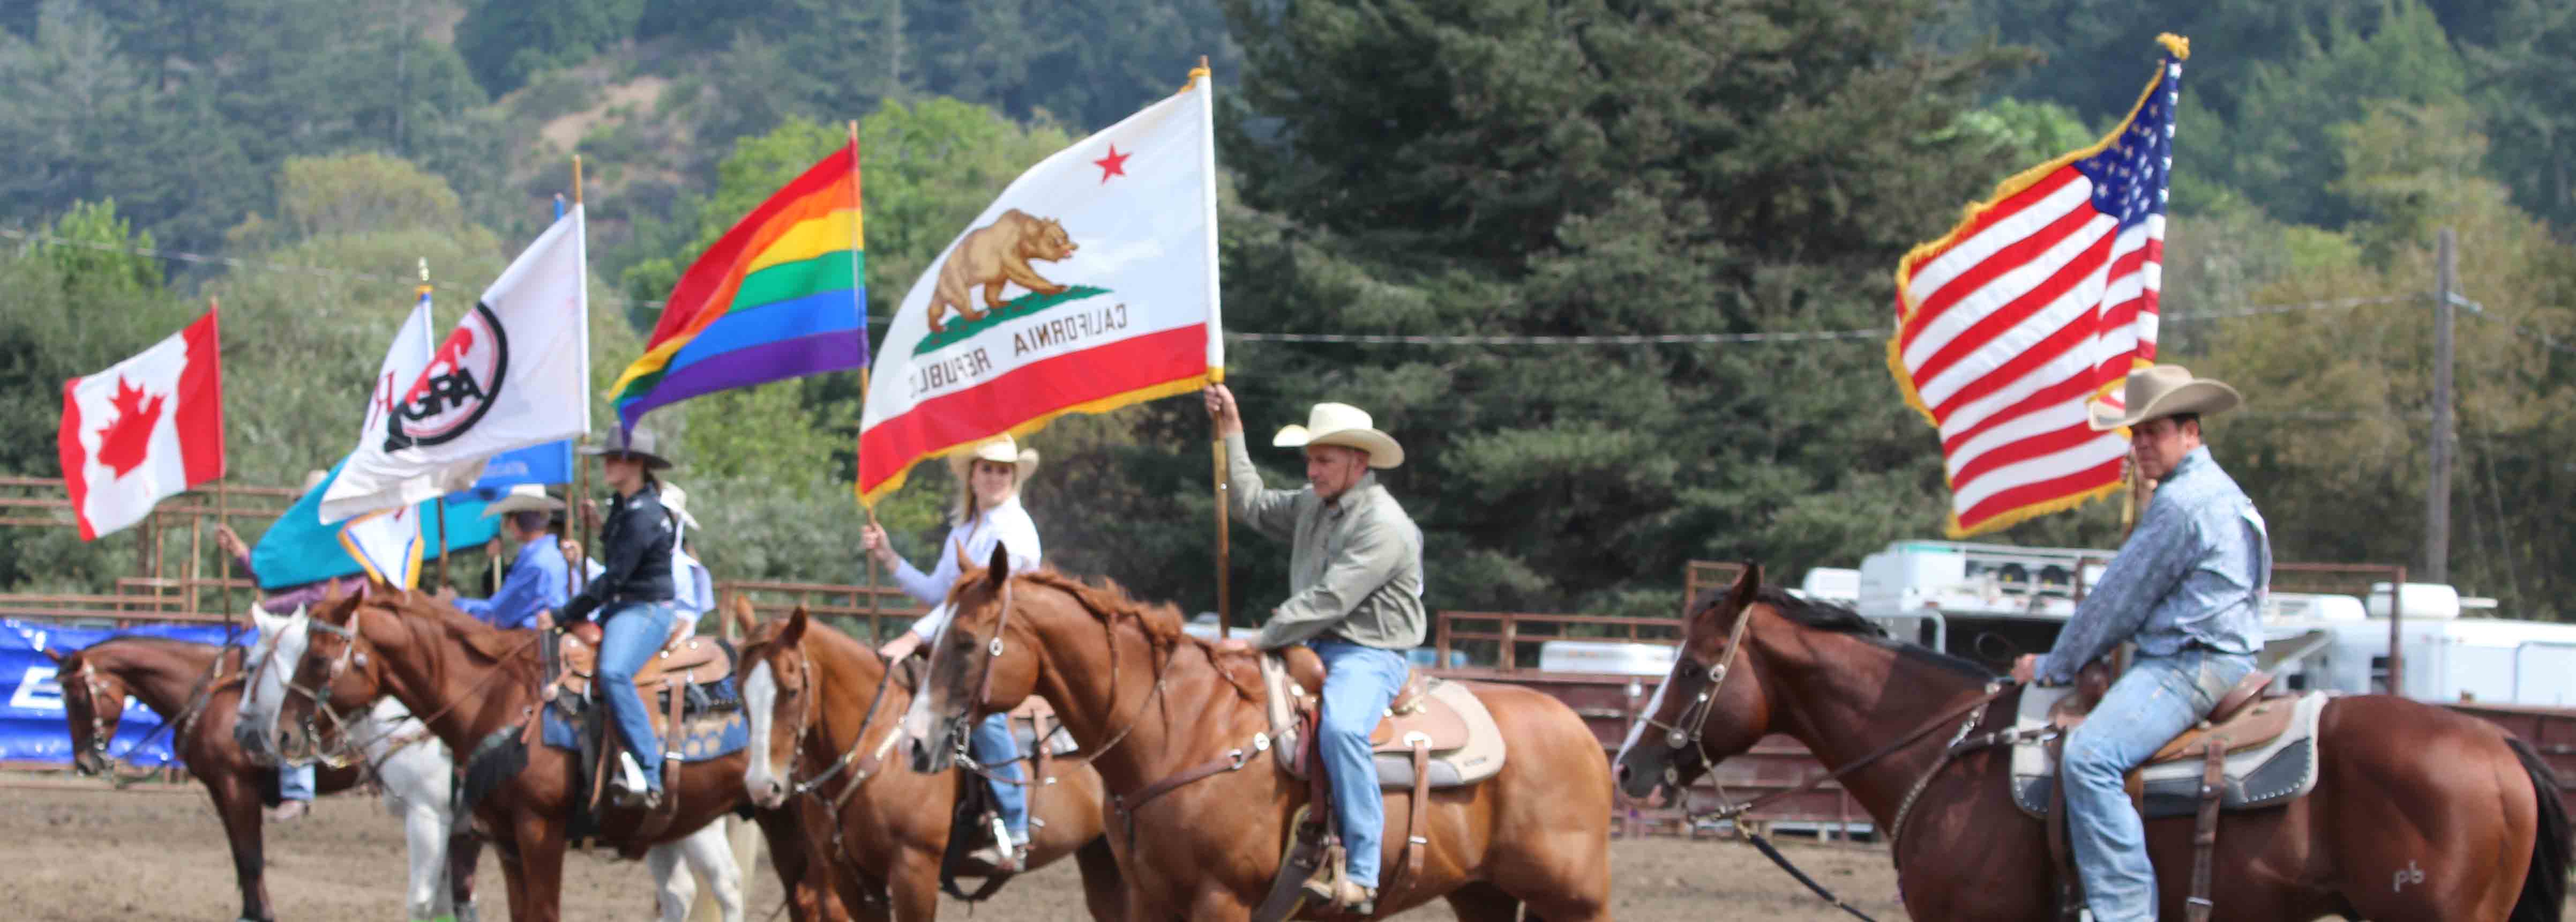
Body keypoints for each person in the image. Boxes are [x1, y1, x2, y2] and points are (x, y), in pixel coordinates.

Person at [2010, 365, 2268, 922]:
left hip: (2188, 664)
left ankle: (2124, 914)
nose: (2141, 443)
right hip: (2216, 654)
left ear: (2191, 433)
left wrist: (2054, 664)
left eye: (2155, 431)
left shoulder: (2180, 505)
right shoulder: (2216, 491)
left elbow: (2114, 602)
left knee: (2089, 757)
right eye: (2135, 432)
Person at [1203, 384, 1425, 916]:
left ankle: (1364, 872)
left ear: (1357, 461)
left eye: (1322, 460)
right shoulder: (1312, 504)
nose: (1311, 471)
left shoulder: (1384, 525)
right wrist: (1230, 427)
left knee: (1343, 727)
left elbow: (1331, 598)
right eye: (1309, 459)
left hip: (1368, 652)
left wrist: (1259, 639)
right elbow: (1250, 503)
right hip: (1311, 644)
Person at [862, 434, 1042, 869]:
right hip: (968, 640)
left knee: (983, 711)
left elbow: (965, 605)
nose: (996, 477)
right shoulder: (964, 533)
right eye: (989, 469)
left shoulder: (1016, 531)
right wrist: (889, 558)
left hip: (1005, 642)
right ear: (973, 477)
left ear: (1013, 478)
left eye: (1004, 471)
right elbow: (936, 591)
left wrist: (911, 639)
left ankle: (1016, 827)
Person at [212, 469, 355, 823]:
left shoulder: (342, 544)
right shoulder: (311, 546)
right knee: (258, 666)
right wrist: (243, 555)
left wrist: (266, 609)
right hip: (306, 627)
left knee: (289, 685)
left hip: (330, 631)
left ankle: (296, 788)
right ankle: (261, 762)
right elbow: (277, 580)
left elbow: (322, 593)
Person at [559, 428, 681, 809]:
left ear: (638, 465)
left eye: (616, 458)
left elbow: (615, 577)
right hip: (624, 606)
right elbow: (621, 556)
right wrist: (600, 526)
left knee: (613, 672)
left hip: (645, 609)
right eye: (607, 457)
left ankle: (649, 770)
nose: (607, 465)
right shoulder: (626, 507)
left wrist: (565, 613)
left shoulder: (644, 515)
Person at [450, 484, 568, 631]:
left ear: (519, 520)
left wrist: (452, 604)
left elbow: (499, 614)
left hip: (532, 643)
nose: (507, 525)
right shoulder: (544, 556)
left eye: (509, 517)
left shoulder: (537, 564)